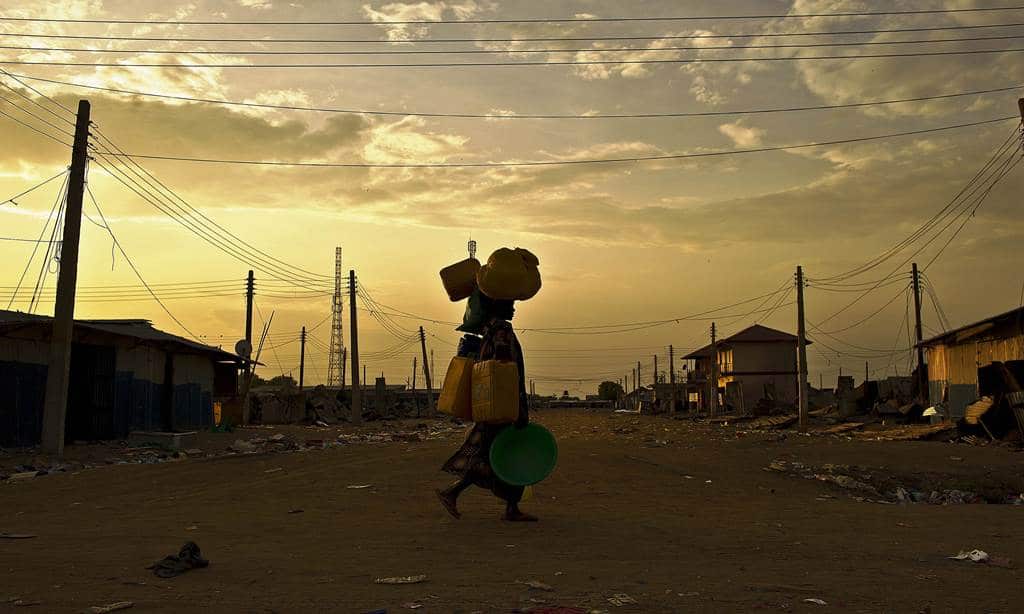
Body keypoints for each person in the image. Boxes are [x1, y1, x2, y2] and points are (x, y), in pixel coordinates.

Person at [437, 293, 536, 522]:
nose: (513, 309)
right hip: (502, 405)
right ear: (497, 306)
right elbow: (504, 368)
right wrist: (519, 408)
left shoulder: (486, 331)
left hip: (489, 403)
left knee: (496, 453)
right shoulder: (501, 329)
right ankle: (453, 492)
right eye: (509, 303)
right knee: (503, 453)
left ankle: (508, 506)